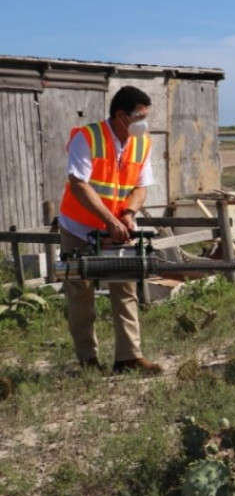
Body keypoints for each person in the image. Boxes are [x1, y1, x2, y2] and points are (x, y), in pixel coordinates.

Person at [58, 85, 163, 375]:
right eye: (140, 117)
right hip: (79, 226)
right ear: (121, 115)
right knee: (81, 293)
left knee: (125, 287)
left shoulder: (142, 143)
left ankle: (128, 357)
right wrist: (109, 220)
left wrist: (128, 213)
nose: (145, 124)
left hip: (119, 227)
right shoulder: (87, 137)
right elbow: (79, 185)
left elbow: (141, 186)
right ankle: (88, 360)